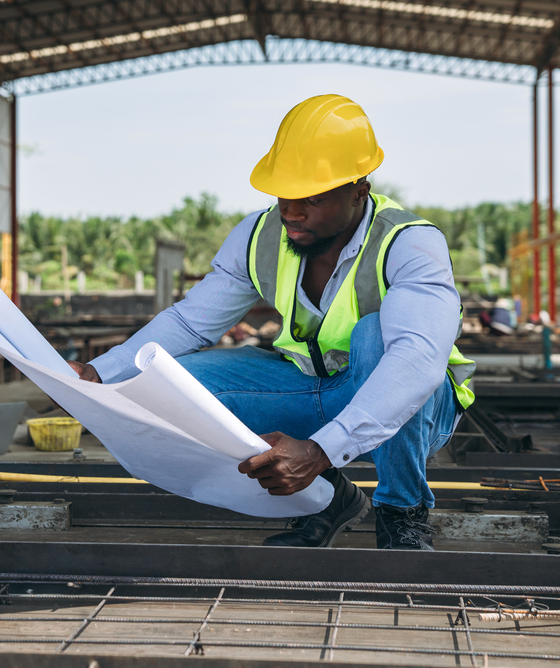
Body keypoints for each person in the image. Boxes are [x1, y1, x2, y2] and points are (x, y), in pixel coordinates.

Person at [69, 95, 475, 550]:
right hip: (312, 387)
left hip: (414, 407)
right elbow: (189, 322)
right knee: (168, 387)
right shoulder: (259, 236)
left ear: (359, 191)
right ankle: (326, 501)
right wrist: (99, 373)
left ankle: (403, 513)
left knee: (376, 338)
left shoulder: (410, 243)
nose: (292, 212)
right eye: (285, 195)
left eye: (313, 199)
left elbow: (416, 363)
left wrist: (319, 451)